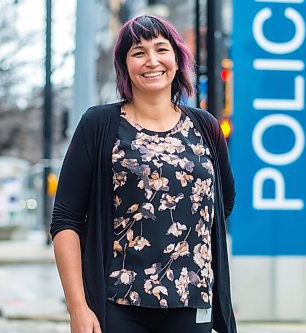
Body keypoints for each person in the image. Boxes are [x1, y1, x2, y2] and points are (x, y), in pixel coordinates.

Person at [50, 15, 236, 333]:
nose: (152, 60)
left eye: (161, 49)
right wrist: (78, 309)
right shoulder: (99, 125)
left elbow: (223, 202)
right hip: (117, 304)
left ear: (177, 59)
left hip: (191, 303)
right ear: (125, 66)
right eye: (138, 52)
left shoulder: (205, 126)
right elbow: (65, 221)